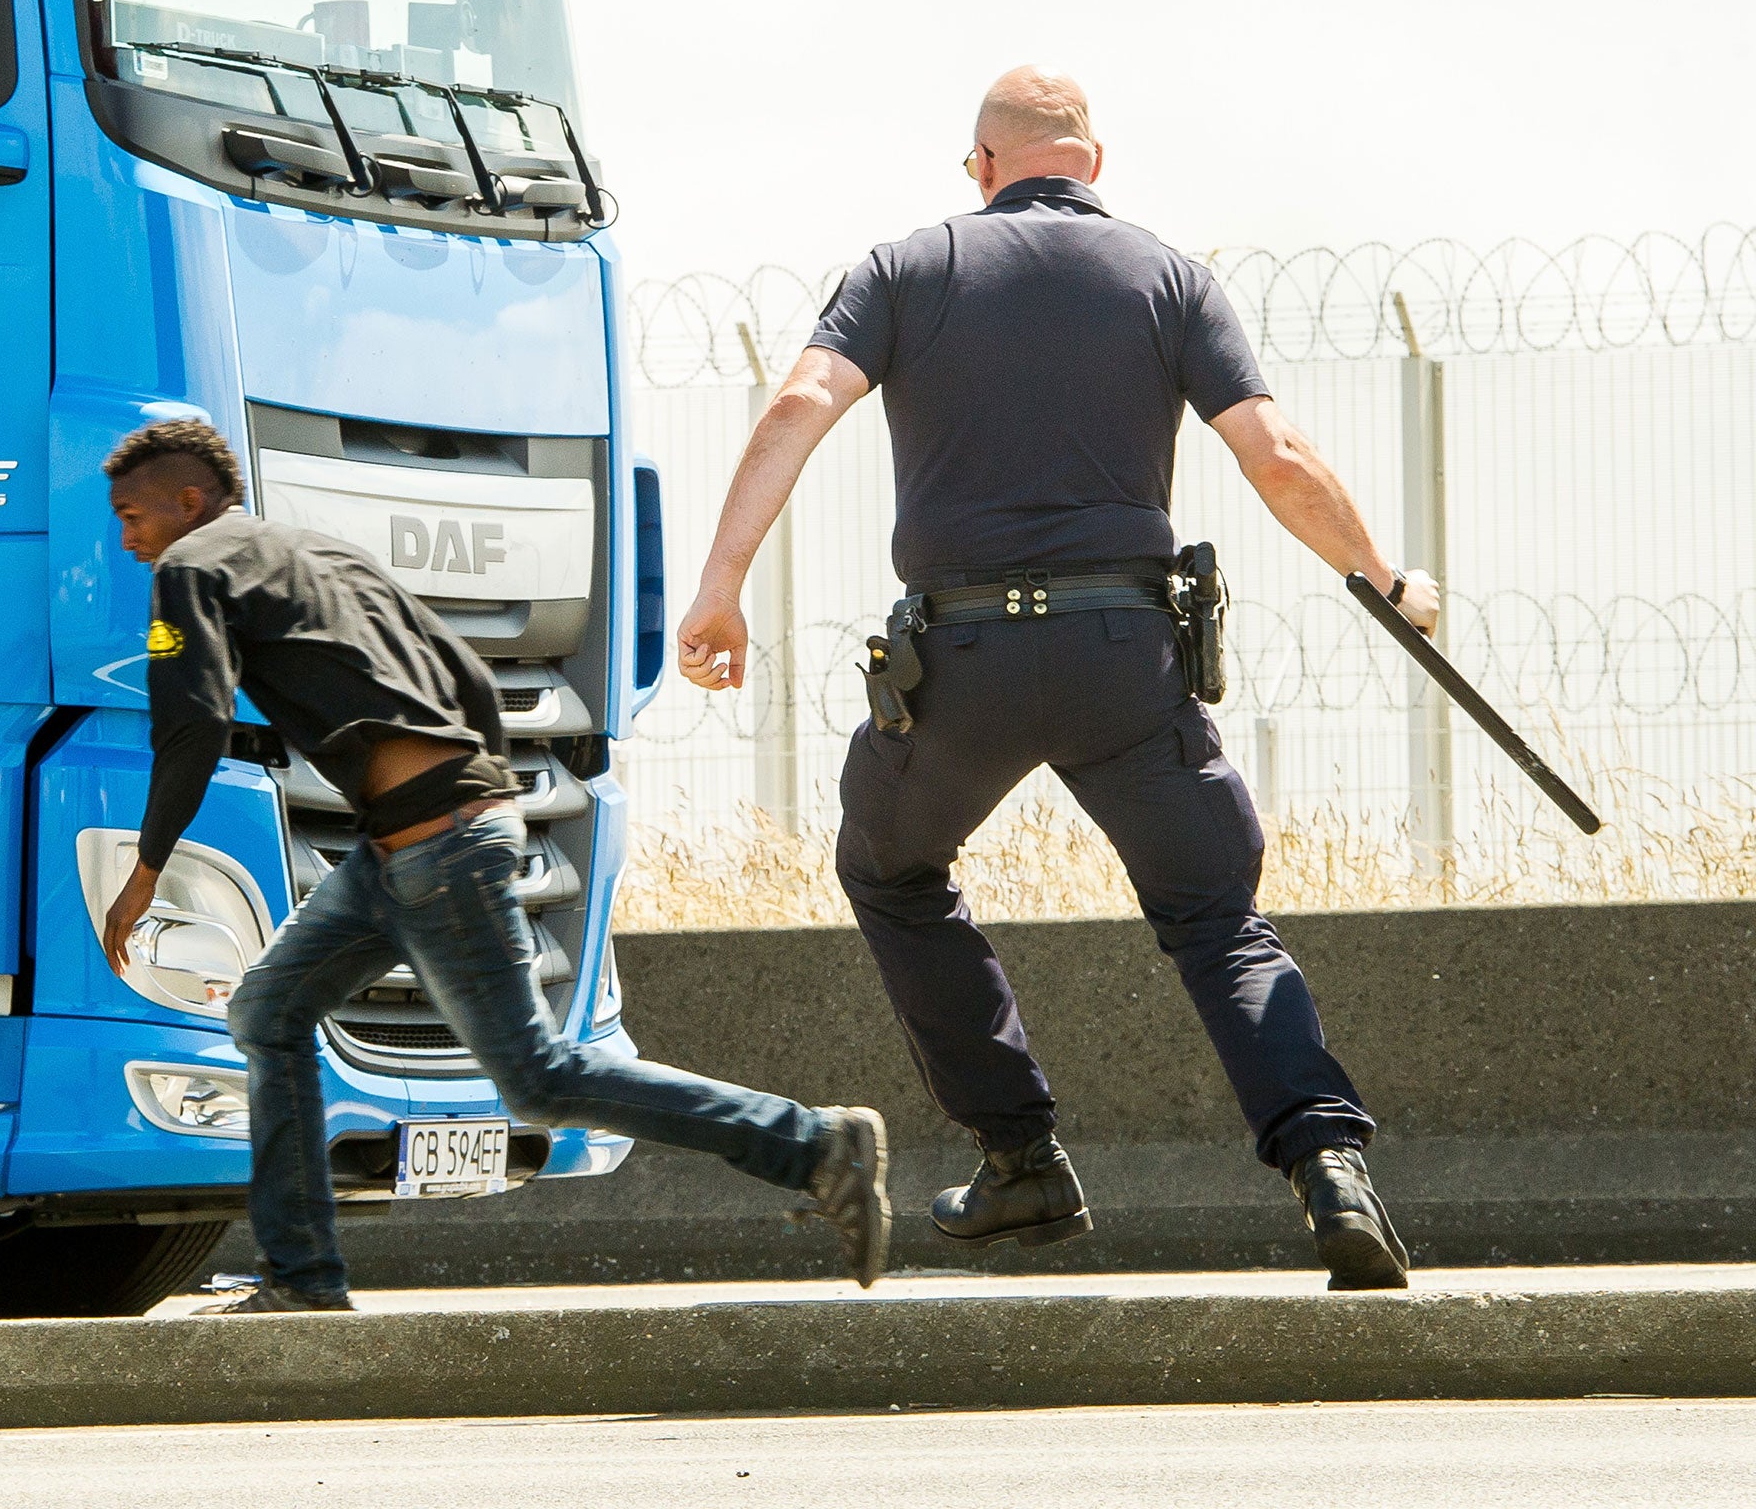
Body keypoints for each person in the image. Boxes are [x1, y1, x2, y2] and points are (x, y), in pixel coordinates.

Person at [675, 68, 1440, 1291]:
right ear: (1094, 160)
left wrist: (719, 587)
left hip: (958, 663)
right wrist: (1381, 572)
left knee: (889, 867)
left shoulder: (902, 267)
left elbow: (796, 402)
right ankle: (1328, 1170)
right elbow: (1276, 454)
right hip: (1122, 663)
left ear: (980, 166)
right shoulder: (1165, 276)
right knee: (1216, 922)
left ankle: (1020, 1159)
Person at [98, 419, 890, 1311]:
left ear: (189, 502)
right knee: (269, 1009)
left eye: (132, 515)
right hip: (417, 842)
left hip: (434, 846)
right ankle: (302, 1278)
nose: (128, 539)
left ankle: (815, 1144)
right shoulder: (317, 554)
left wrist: (146, 868)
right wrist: (483, 796)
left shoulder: (191, 568)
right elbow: (466, 673)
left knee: (540, 1077)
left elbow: (192, 721)